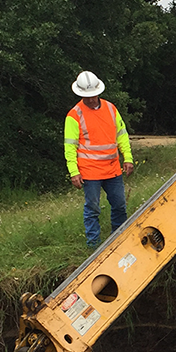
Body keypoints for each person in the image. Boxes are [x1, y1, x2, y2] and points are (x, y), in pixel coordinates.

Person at [65, 70, 134, 249]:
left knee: (119, 205)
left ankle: (118, 241)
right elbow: (70, 146)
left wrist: (128, 158)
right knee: (93, 209)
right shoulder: (74, 115)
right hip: (89, 171)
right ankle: (93, 246)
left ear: (98, 92)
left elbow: (122, 135)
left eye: (93, 95)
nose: (90, 99)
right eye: (86, 96)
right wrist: (74, 172)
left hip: (112, 169)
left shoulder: (111, 109)